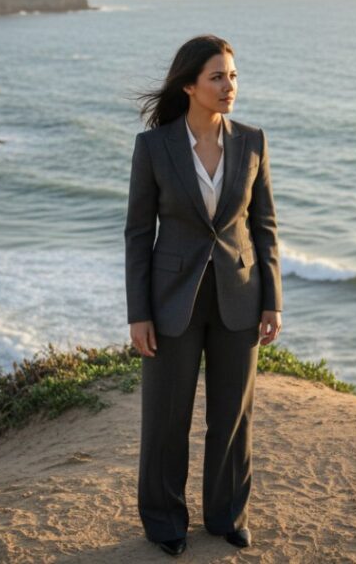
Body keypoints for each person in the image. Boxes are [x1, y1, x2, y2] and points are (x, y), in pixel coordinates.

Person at [124, 34, 283, 557]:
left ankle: (227, 515)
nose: (228, 86)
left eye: (233, 76)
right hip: (173, 299)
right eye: (217, 77)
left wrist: (273, 300)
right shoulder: (154, 147)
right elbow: (137, 234)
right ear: (189, 85)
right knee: (166, 417)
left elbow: (264, 227)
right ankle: (164, 521)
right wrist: (139, 313)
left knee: (233, 416)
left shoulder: (253, 142)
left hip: (240, 294)